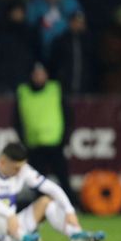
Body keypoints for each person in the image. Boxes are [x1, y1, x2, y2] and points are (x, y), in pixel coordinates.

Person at [0, 142, 105, 241]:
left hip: (11, 227)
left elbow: (51, 188)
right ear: (2, 162)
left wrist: (69, 210)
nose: (20, 171)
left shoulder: (22, 170)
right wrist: (8, 214)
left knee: (46, 202)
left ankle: (75, 235)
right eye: (16, 168)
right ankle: (23, 239)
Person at [13, 62, 75, 203]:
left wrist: (65, 138)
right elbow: (17, 119)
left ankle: (70, 207)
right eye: (36, 74)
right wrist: (24, 140)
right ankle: (40, 211)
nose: (39, 77)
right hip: (34, 145)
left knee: (63, 179)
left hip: (55, 144)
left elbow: (68, 115)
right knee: (38, 183)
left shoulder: (55, 89)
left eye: (42, 73)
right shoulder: (23, 92)